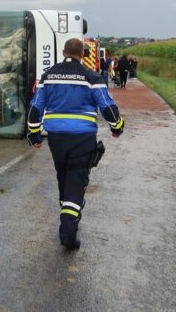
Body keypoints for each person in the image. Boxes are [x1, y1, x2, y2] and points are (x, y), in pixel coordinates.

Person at [26, 38, 125, 249]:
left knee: (64, 177)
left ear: (63, 52)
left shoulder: (48, 76)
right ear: (83, 55)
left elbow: (35, 107)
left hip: (56, 138)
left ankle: (68, 212)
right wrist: (117, 127)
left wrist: (34, 135)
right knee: (77, 181)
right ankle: (68, 231)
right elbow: (107, 106)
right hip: (82, 138)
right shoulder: (91, 77)